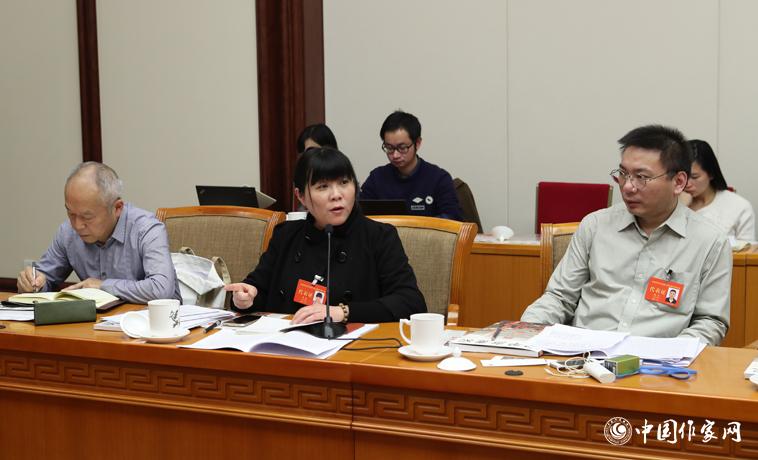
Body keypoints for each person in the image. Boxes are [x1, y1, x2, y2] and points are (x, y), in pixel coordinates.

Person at [521, 125, 731, 346]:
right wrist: (523, 332)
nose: (628, 187)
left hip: (657, 362)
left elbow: (710, 321)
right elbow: (559, 298)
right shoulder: (595, 226)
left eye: (641, 177)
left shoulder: (709, 241)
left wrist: (672, 353)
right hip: (583, 356)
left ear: (678, 182)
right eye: (623, 174)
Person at [225, 147, 427, 323]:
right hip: (284, 344)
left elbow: (410, 302)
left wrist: (343, 312)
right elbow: (257, 288)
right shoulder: (286, 235)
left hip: (351, 347)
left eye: (344, 182)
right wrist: (245, 299)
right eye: (323, 186)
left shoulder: (379, 237)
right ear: (300, 196)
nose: (336, 195)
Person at [16, 162, 181, 303]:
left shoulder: (147, 229)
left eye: (87, 217)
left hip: (149, 324)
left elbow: (161, 289)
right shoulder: (67, 233)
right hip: (96, 324)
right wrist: (32, 284)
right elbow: (45, 279)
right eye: (71, 213)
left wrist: (103, 286)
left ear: (117, 208)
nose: (77, 225)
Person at [361, 110, 462, 220]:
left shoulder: (439, 179)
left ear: (417, 143)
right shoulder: (377, 178)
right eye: (389, 148)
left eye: (402, 148)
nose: (395, 155)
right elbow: (359, 215)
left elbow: (452, 218)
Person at [680, 139, 755, 241]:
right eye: (682, 177)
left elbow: (747, 248)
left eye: (694, 177)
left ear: (711, 173)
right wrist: (679, 208)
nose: (687, 184)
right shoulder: (671, 203)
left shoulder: (739, 207)